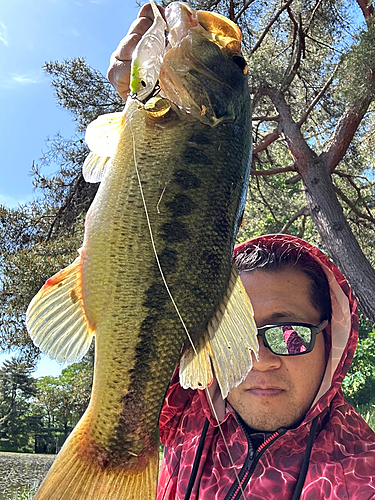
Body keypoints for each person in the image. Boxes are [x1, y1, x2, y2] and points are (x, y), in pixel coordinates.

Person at [107, 8, 375, 499]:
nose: (260, 361)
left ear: (332, 338)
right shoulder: (190, 409)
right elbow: (137, 241)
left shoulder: (362, 473)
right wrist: (139, 94)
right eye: (238, 337)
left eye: (290, 334)